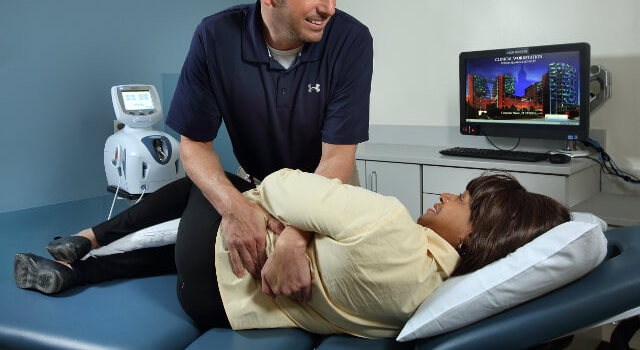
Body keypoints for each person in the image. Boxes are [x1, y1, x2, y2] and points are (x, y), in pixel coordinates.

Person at [22, 0, 373, 301]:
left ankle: (87, 248)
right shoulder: (216, 37)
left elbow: (337, 159)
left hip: (325, 192)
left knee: (208, 271)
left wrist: (295, 237)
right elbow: (194, 146)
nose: (329, 7)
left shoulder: (350, 40)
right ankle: (80, 258)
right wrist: (236, 209)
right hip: (255, 185)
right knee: (195, 251)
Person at [15, 171, 570, 338]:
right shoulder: (427, 294)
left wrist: (279, 223)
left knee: (212, 184)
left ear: (480, 236)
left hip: (210, 264)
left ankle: (88, 237)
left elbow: (279, 183)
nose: (448, 194)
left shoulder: (389, 222)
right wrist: (292, 237)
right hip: (214, 306)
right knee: (205, 235)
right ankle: (74, 271)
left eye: (465, 201)